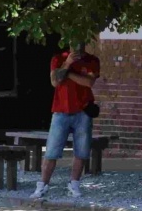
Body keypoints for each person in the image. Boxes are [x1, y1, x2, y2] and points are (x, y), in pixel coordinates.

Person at [29, 41, 101, 200]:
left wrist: (66, 73)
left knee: (81, 151)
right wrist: (67, 63)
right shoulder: (58, 58)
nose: (78, 46)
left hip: (83, 111)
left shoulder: (92, 60)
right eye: (74, 42)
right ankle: (42, 185)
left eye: (81, 42)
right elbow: (54, 82)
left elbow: (88, 82)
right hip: (61, 111)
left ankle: (74, 184)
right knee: (51, 151)